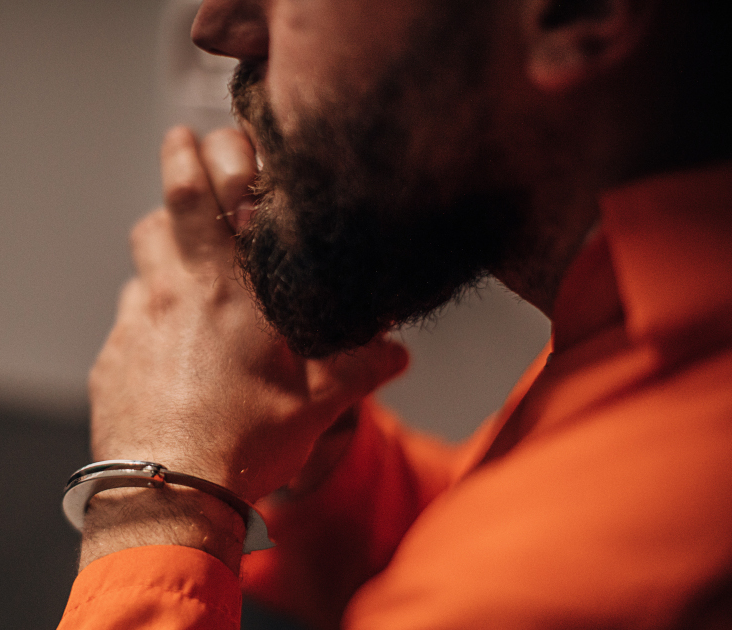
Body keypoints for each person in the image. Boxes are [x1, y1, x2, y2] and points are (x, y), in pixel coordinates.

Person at [59, 0, 732, 627]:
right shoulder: (652, 325)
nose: (219, 25)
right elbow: (504, 515)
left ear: (571, 12)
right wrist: (315, 459)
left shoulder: (542, 588)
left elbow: (503, 579)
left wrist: (154, 505)